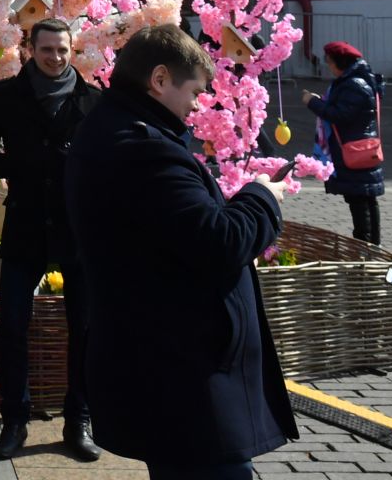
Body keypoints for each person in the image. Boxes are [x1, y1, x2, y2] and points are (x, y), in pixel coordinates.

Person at [65, 24, 294, 478]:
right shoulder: (142, 148)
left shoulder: (118, 130)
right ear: (160, 79)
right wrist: (262, 195)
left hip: (165, 368)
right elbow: (219, 241)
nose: (197, 104)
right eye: (195, 90)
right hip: (184, 377)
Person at [0, 17, 101, 462]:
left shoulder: (93, 100)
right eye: (47, 50)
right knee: (13, 324)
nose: (56, 58)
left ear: (71, 49)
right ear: (31, 50)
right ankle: (14, 421)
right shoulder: (7, 96)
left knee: (84, 327)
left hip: (76, 228)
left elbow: (107, 158)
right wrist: (16, 168)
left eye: (63, 50)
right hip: (24, 224)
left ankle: (78, 421)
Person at [302, 41, 384, 245]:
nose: (328, 66)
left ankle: (365, 246)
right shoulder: (353, 81)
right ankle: (371, 245)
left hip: (354, 151)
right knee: (365, 200)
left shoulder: (354, 84)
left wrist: (312, 102)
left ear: (340, 62)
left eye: (329, 62)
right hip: (358, 147)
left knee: (360, 202)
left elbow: (340, 115)